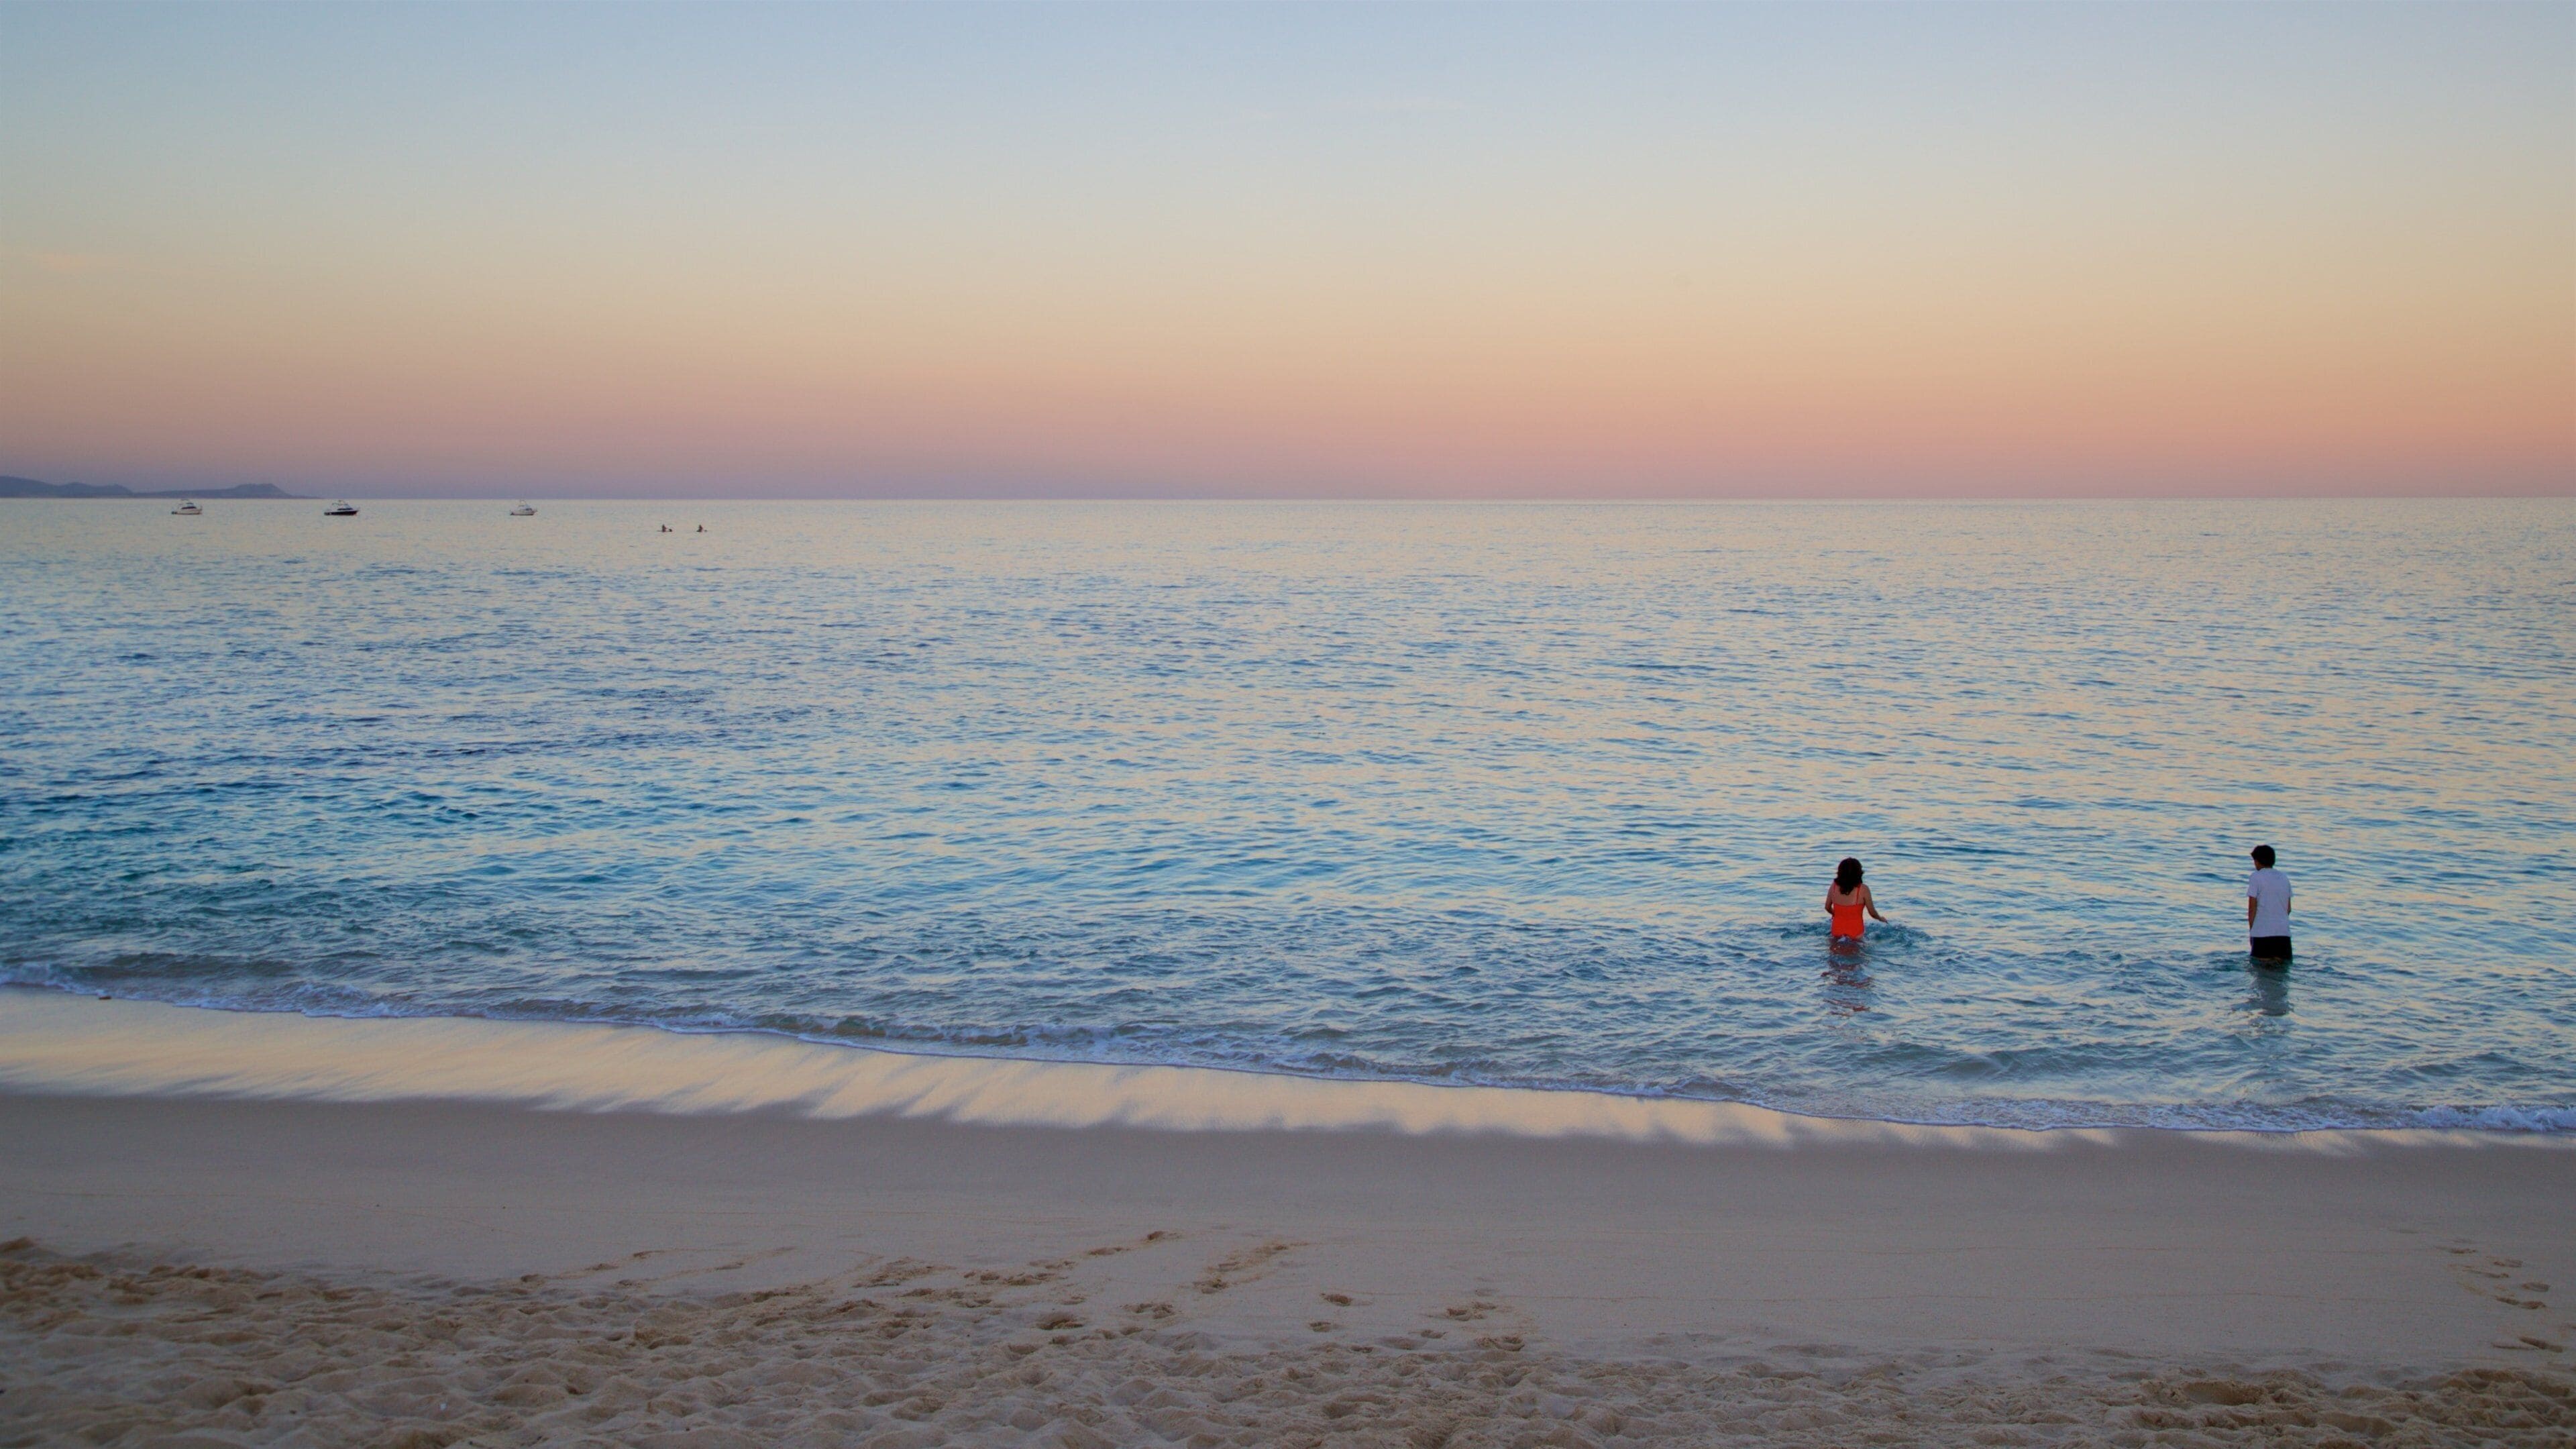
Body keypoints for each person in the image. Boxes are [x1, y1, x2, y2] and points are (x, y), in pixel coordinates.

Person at [2246, 845, 2292, 962]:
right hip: (2283, 935)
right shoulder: (2284, 877)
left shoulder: (2256, 877)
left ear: (2257, 861)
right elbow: (2288, 909)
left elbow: (2252, 909)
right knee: (2280, 976)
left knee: (2261, 975)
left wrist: (2252, 932)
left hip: (2262, 934)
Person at [1825, 857, 1887, 943]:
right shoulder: (1863, 889)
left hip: (1836, 932)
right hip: (1856, 933)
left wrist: (1835, 914)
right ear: (1859, 873)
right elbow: (1872, 913)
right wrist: (1881, 919)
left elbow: (1827, 907)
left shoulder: (1834, 886)